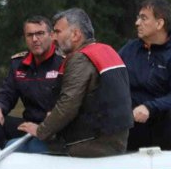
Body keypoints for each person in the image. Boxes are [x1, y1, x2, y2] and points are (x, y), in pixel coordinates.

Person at [17, 8, 134, 157]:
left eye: (58, 32)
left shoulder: (80, 59)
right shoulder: (108, 50)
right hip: (115, 141)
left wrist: (40, 130)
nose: (53, 38)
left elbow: (68, 105)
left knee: (22, 146)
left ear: (76, 34)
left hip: (89, 144)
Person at [0, 16, 64, 148]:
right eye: (30, 35)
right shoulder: (19, 64)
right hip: (27, 124)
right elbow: (6, 93)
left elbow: (68, 103)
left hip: (54, 126)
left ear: (52, 35)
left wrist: (45, 127)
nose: (35, 39)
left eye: (40, 33)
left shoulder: (64, 62)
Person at [118, 0, 171, 150]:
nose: (137, 23)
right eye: (138, 18)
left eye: (143, 18)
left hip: (162, 123)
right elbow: (113, 79)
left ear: (159, 24)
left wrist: (149, 107)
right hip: (132, 124)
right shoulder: (128, 50)